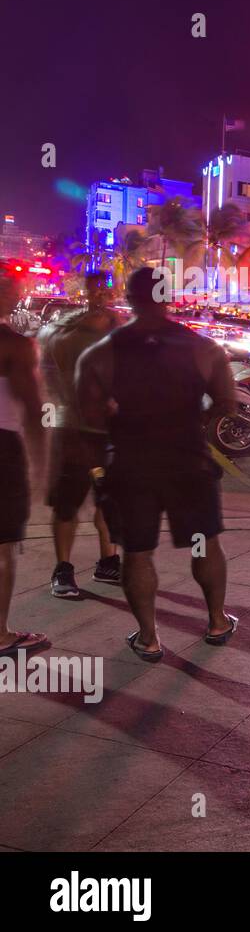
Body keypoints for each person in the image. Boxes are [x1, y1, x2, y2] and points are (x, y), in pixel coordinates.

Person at [75, 267, 239, 662]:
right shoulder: (203, 348)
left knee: (137, 551)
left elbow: (89, 421)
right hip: (189, 464)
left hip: (133, 466)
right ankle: (216, 621)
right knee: (204, 544)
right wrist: (194, 420)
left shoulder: (100, 354)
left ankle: (148, 638)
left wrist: (101, 466)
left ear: (129, 298)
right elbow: (227, 403)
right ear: (168, 298)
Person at [37, 271, 121, 598]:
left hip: (108, 433)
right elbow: (47, 369)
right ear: (85, 292)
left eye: (106, 289)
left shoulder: (123, 332)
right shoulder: (67, 330)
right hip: (73, 429)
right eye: (95, 289)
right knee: (67, 501)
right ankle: (63, 569)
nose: (101, 294)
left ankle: (109, 561)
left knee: (108, 500)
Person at [0, 272, 49, 656]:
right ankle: (0, 636)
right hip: (2, 448)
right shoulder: (15, 346)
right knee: (3, 547)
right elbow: (34, 411)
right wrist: (40, 464)